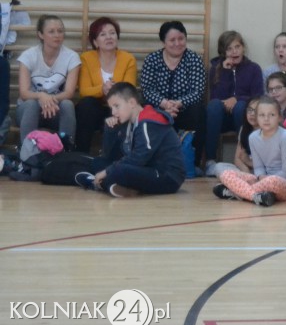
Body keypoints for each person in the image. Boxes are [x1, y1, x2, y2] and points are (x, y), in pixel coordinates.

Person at [74, 82, 184, 197]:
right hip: (147, 169)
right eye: (111, 108)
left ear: (131, 102)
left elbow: (139, 157)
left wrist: (107, 172)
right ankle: (116, 186)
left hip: (168, 176)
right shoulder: (129, 123)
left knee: (118, 171)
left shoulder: (147, 121)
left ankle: (96, 184)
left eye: (117, 106)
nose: (113, 112)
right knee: (99, 163)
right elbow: (108, 156)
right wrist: (110, 130)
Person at [138, 20, 206, 164]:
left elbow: (197, 91)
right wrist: (164, 104)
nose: (177, 43)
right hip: (159, 107)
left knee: (199, 110)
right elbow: (147, 90)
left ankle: (193, 163)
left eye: (181, 39)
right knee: (144, 109)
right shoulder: (152, 60)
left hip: (185, 109)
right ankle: (150, 161)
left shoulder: (194, 60)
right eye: (172, 40)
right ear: (163, 42)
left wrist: (177, 104)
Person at [213, 96, 286, 207]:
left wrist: (264, 180)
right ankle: (257, 196)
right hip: (263, 179)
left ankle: (236, 192)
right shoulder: (253, 137)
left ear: (279, 117)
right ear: (257, 118)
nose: (266, 119)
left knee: (272, 181)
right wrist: (260, 177)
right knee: (226, 174)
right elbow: (258, 167)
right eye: (262, 115)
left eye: (272, 115)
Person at [14, 15, 80, 146]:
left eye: (60, 31)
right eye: (51, 31)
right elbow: (24, 93)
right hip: (29, 111)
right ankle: (28, 156)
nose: (57, 35)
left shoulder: (71, 57)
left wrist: (49, 101)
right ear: (40, 35)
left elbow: (69, 93)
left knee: (68, 104)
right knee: (32, 104)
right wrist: (41, 96)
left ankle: (65, 152)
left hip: (55, 108)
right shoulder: (28, 56)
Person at [75, 16, 137, 153]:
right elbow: (84, 91)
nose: (109, 37)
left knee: (128, 107)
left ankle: (119, 158)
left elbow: (129, 90)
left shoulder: (128, 59)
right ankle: (81, 154)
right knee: (86, 105)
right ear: (95, 42)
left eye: (112, 33)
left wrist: (114, 92)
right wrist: (102, 89)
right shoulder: (86, 58)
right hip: (95, 109)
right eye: (103, 34)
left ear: (117, 37)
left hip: (119, 108)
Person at [204, 31, 263, 173]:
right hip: (221, 118)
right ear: (223, 52)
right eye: (229, 49)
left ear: (243, 48)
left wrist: (236, 99)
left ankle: (245, 156)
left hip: (242, 117)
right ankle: (210, 161)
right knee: (213, 106)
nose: (234, 52)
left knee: (242, 106)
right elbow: (216, 98)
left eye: (237, 47)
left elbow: (258, 97)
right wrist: (225, 73)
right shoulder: (216, 69)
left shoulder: (254, 68)